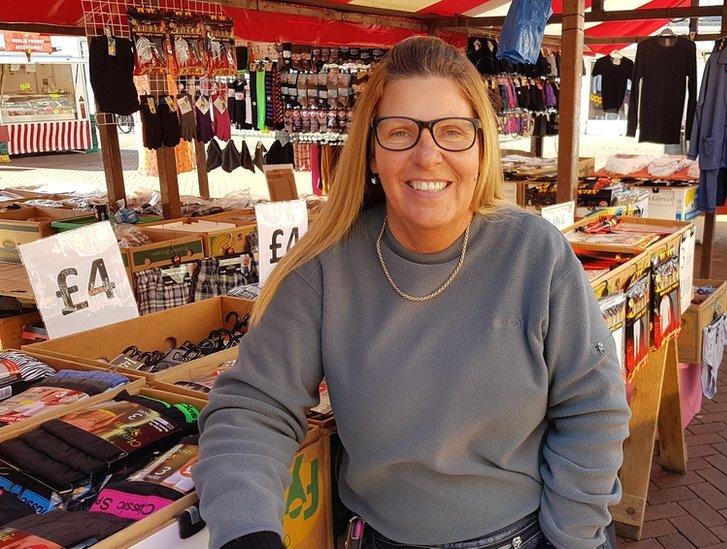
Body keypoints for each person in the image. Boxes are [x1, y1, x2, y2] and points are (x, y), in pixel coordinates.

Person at [196, 36, 630, 549]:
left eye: (452, 132)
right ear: (372, 152)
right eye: (401, 132)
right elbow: (253, 408)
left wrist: (575, 536)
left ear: (482, 147)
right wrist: (245, 530)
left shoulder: (535, 254)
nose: (428, 155)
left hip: (529, 537)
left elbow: (593, 407)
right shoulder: (325, 268)